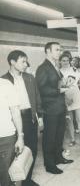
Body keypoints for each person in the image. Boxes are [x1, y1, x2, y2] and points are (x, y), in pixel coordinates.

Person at [2, 50, 43, 186]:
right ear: (12, 62)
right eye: (22, 61)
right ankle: (14, 181)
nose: (26, 64)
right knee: (16, 153)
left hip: (30, 117)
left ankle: (27, 179)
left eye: (26, 61)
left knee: (32, 150)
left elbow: (37, 98)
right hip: (14, 121)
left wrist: (40, 116)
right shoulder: (4, 80)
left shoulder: (29, 77)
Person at [35, 42, 73, 175]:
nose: (59, 52)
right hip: (50, 109)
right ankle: (50, 164)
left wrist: (65, 84)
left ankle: (58, 157)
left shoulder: (55, 66)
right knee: (49, 137)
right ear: (48, 51)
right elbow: (42, 89)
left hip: (60, 107)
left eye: (60, 49)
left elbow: (55, 84)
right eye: (57, 50)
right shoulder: (43, 68)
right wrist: (59, 90)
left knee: (59, 135)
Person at [59, 53, 80, 147]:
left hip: (76, 94)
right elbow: (59, 86)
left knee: (79, 119)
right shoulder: (58, 72)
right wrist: (64, 97)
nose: (66, 62)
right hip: (66, 96)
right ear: (60, 61)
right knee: (69, 120)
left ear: (70, 61)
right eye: (63, 60)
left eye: (67, 60)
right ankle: (73, 139)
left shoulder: (74, 69)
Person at [0, 78, 24, 186]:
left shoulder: (5, 84)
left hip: (6, 138)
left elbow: (16, 113)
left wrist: (20, 137)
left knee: (6, 178)